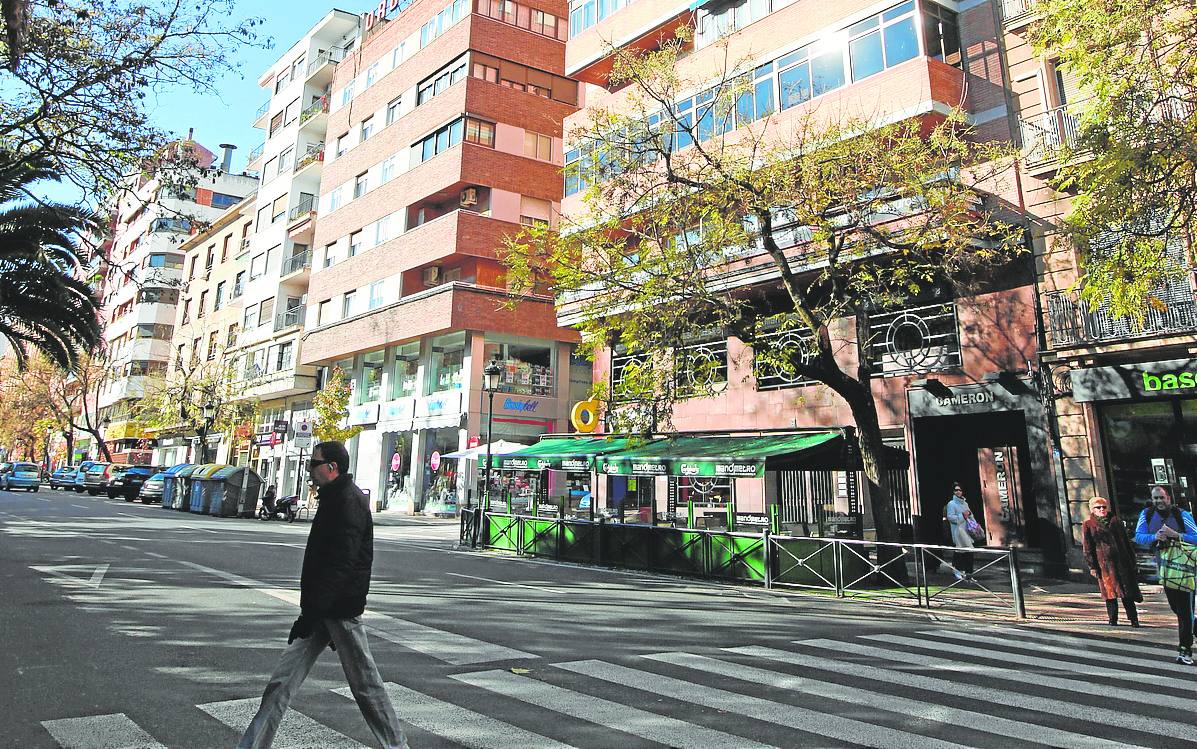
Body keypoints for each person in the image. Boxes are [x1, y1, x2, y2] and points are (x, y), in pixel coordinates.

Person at [238, 442, 408, 749]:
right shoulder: (333, 497)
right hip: (320, 609)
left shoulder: (348, 502)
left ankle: (396, 746)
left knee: (366, 688)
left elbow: (340, 565)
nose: (309, 471)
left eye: (313, 464)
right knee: (280, 684)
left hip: (339, 610)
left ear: (331, 468)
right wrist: (312, 613)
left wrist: (311, 614)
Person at [1134, 485, 1197, 665]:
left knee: (1185, 613)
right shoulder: (1146, 515)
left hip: (1185, 571)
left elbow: (1196, 537)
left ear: (1169, 498)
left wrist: (1176, 535)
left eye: (1162, 498)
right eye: (1155, 498)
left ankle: (1185, 651)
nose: (1159, 501)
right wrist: (1155, 537)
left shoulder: (1182, 515)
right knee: (1178, 610)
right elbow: (1139, 536)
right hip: (1166, 571)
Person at [1081, 496, 1141, 626]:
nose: (1102, 509)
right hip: (1105, 566)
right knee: (1110, 595)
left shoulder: (1116, 522)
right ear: (1093, 510)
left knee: (1127, 593)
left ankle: (1134, 619)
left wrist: (1132, 561)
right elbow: (1087, 548)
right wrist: (1092, 566)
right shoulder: (1089, 524)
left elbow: (1126, 542)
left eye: (1104, 507)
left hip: (1122, 563)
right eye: (1098, 507)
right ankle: (1113, 619)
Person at [944, 483, 976, 580]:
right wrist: (963, 516)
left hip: (967, 530)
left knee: (967, 551)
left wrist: (974, 525)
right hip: (958, 531)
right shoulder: (951, 504)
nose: (958, 492)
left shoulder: (965, 503)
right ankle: (959, 571)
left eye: (960, 490)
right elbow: (950, 517)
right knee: (961, 551)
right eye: (956, 490)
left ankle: (968, 573)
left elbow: (971, 515)